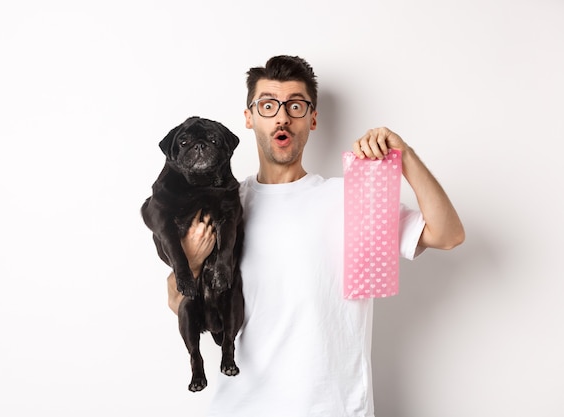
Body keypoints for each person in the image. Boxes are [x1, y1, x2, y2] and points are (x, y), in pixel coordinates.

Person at [165, 55, 465, 417]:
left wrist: (406, 157)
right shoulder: (226, 206)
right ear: (249, 118)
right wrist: (194, 259)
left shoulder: (351, 198)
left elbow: (447, 234)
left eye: (295, 105)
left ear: (313, 118)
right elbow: (176, 300)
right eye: (268, 104)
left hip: (333, 408)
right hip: (240, 406)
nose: (282, 116)